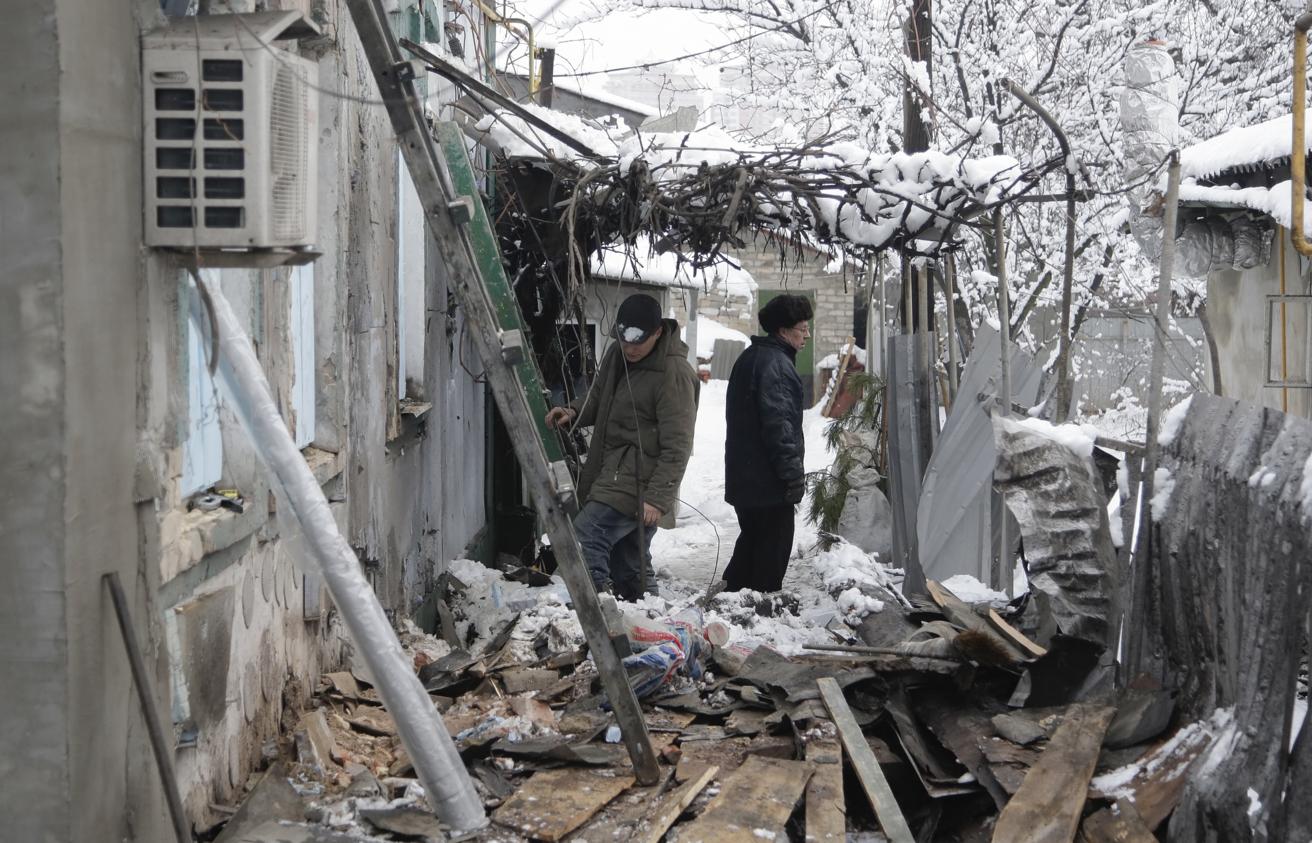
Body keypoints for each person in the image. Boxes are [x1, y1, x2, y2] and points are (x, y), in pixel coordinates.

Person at [545, 293, 699, 601]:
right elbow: (600, 395)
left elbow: (678, 445)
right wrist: (574, 410)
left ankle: (593, 613)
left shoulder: (674, 374)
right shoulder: (618, 354)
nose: (630, 348)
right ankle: (649, 614)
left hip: (639, 480)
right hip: (610, 469)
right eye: (624, 340)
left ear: (658, 332)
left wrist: (657, 498)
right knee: (629, 563)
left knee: (584, 539)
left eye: (637, 342)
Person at [722, 294, 813, 593]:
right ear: (783, 331)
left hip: (747, 480)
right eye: (802, 328)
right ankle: (761, 608)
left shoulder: (750, 357)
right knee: (769, 559)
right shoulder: (777, 366)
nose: (807, 335)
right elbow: (780, 427)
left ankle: (730, 603)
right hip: (769, 484)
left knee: (751, 546)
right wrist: (792, 477)